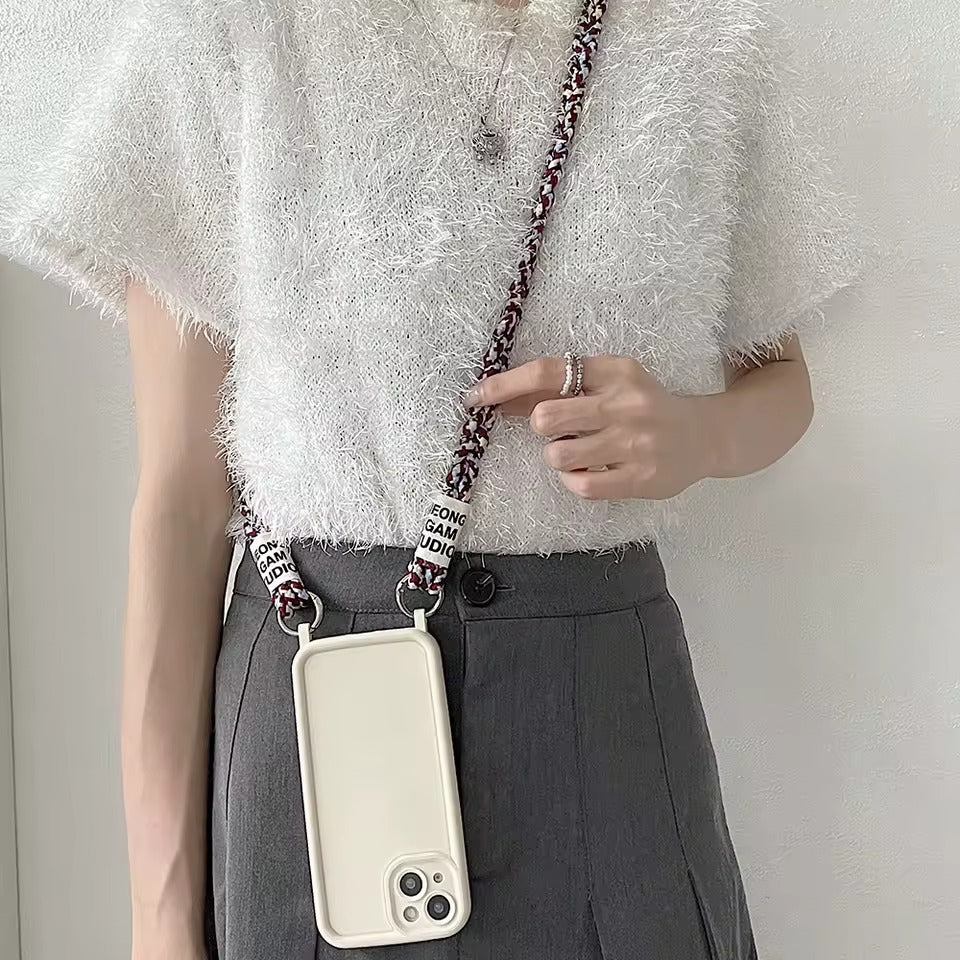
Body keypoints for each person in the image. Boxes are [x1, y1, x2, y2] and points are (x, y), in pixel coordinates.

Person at [0, 0, 868, 957]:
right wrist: (160, 921)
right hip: (317, 715)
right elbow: (180, 500)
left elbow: (780, 379)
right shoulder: (234, 27)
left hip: (603, 714)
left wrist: (695, 435)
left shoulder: (703, 36)